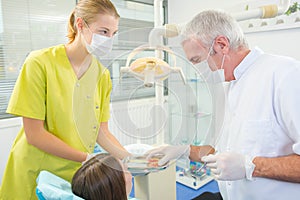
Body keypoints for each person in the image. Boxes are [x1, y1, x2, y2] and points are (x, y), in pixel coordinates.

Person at [147, 9, 300, 200]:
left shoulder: (285, 75)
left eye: (197, 60)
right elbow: (224, 155)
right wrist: (184, 151)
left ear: (221, 45)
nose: (197, 70)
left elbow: (242, 163)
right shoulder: (231, 84)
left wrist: (250, 166)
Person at [0, 0, 130, 199]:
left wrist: (132, 159)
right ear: (80, 25)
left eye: (113, 33)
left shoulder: (101, 76)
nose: (109, 39)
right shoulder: (39, 63)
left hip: (75, 174)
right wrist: (88, 158)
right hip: (36, 173)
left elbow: (101, 131)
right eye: (103, 32)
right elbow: (34, 134)